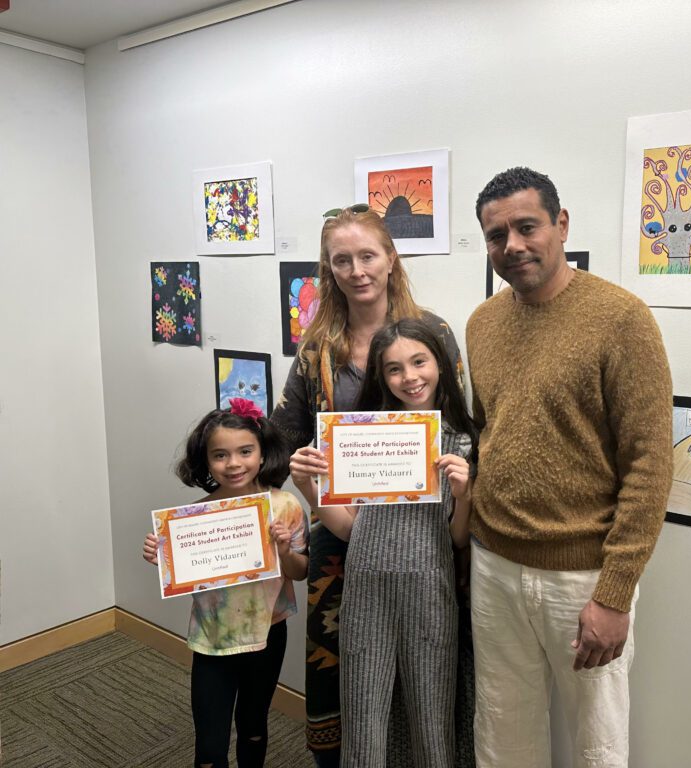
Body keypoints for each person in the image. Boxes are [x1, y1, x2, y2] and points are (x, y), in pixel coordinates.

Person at [466, 167, 674, 768]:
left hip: (582, 575)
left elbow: (649, 465)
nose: (513, 246)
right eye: (496, 234)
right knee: (502, 728)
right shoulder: (482, 323)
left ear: (561, 225)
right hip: (494, 565)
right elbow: (487, 434)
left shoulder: (621, 320)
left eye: (527, 226)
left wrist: (614, 594)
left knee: (597, 743)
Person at [269, 206, 467, 767]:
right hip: (339, 537)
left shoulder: (433, 333)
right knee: (346, 674)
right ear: (328, 270)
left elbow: (457, 423)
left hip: (422, 539)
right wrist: (237, 495)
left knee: (426, 679)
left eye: (367, 256)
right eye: (341, 261)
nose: (356, 270)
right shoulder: (318, 349)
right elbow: (282, 434)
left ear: (390, 258)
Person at [290, 318, 477, 768]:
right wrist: (307, 486)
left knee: (432, 713)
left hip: (431, 593)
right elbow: (349, 529)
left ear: (440, 365)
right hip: (365, 590)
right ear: (381, 376)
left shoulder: (461, 441)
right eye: (394, 369)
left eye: (419, 362)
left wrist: (464, 494)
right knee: (363, 713)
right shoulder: (358, 435)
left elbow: (457, 539)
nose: (409, 377)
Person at [142, 398, 309, 768]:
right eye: (220, 455)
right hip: (212, 642)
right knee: (210, 746)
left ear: (263, 454)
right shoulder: (195, 518)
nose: (234, 464)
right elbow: (182, 571)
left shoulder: (286, 507)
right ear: (206, 461)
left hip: (268, 635)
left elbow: (299, 572)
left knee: (253, 727)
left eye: (245, 451)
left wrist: (283, 548)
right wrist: (162, 552)